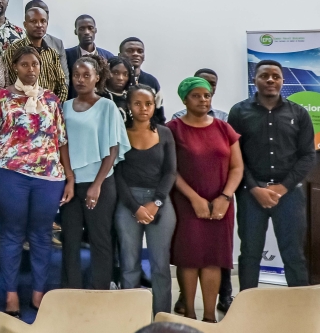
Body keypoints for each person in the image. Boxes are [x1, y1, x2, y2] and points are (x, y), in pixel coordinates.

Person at [0, 46, 73, 317]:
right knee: (12, 234)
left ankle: (39, 293)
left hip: (48, 177)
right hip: (10, 174)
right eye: (24, 64)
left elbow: (60, 140)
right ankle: (11, 294)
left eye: (35, 64)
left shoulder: (50, 99)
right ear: (15, 67)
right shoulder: (0, 98)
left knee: (41, 235)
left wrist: (69, 176)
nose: (31, 69)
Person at [230, 60, 316, 290]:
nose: (270, 80)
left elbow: (308, 155)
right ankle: (247, 306)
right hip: (251, 195)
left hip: (289, 195)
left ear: (282, 81)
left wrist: (283, 187)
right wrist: (254, 187)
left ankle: (299, 309)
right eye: (264, 76)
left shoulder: (298, 113)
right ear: (255, 80)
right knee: (249, 253)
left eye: (275, 76)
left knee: (294, 253)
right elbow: (234, 155)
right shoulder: (239, 112)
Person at [166, 77, 243, 323]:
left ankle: (209, 318)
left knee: (213, 259)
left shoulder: (224, 127)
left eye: (207, 95)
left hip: (221, 205)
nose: (203, 100)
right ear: (185, 99)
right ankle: (189, 314)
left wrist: (224, 197)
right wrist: (195, 199)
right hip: (187, 204)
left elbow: (237, 167)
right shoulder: (173, 129)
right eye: (196, 95)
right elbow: (171, 170)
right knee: (189, 259)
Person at [60, 56, 129, 290]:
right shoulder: (65, 107)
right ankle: (72, 290)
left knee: (100, 239)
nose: (80, 80)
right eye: (76, 75)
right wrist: (69, 178)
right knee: (70, 239)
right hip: (71, 184)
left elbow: (113, 148)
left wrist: (97, 185)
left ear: (97, 78)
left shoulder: (107, 106)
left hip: (100, 184)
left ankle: (100, 290)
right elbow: (63, 144)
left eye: (86, 75)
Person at [115, 84, 177, 314]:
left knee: (160, 265)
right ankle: (131, 316)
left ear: (154, 105)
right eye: (137, 103)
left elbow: (170, 172)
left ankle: (162, 317)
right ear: (129, 106)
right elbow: (117, 173)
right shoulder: (120, 131)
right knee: (129, 264)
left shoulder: (165, 133)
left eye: (148, 103)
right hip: (128, 202)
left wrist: (156, 202)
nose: (143, 108)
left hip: (159, 202)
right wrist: (134, 207)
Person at [2, 5, 68, 102]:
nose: (39, 25)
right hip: (20, 107)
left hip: (49, 109)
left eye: (43, 21)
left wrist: (53, 105)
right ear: (25, 25)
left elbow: (62, 85)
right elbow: (10, 82)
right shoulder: (13, 50)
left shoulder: (52, 53)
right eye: (33, 21)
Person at [65, 14, 115, 99]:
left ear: (95, 30)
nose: (87, 32)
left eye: (90, 28)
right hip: (74, 105)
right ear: (76, 31)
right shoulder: (67, 56)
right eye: (82, 29)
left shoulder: (108, 57)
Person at [119, 37, 165, 124]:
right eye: (130, 51)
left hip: (147, 133)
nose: (136, 54)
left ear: (144, 56)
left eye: (140, 51)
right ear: (120, 55)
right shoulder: (113, 81)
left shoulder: (151, 81)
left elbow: (160, 116)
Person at [23, 0, 69, 80]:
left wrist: (58, 92)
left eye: (45, 12)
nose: (40, 14)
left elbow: (64, 77)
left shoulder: (57, 43)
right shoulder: (16, 43)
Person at [105, 56, 136, 121]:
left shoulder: (132, 98)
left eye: (125, 74)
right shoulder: (97, 97)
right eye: (115, 73)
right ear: (107, 72)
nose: (120, 78)